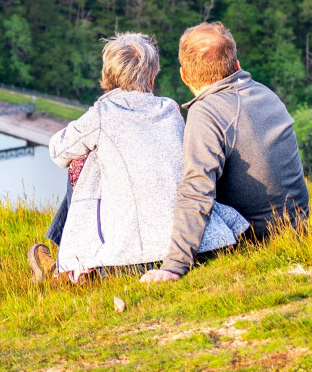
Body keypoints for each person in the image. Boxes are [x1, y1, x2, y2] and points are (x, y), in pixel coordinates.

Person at [28, 32, 250, 283]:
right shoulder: (170, 109)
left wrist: (83, 127)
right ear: (153, 77)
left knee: (83, 159)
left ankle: (67, 267)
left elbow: (58, 152)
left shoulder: (102, 113)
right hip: (203, 246)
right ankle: (65, 260)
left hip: (131, 259)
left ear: (107, 76)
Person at [139, 22, 309, 284]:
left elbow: (197, 190)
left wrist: (174, 266)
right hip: (297, 227)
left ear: (185, 76)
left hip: (256, 239)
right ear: (237, 65)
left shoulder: (206, 112)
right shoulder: (266, 93)